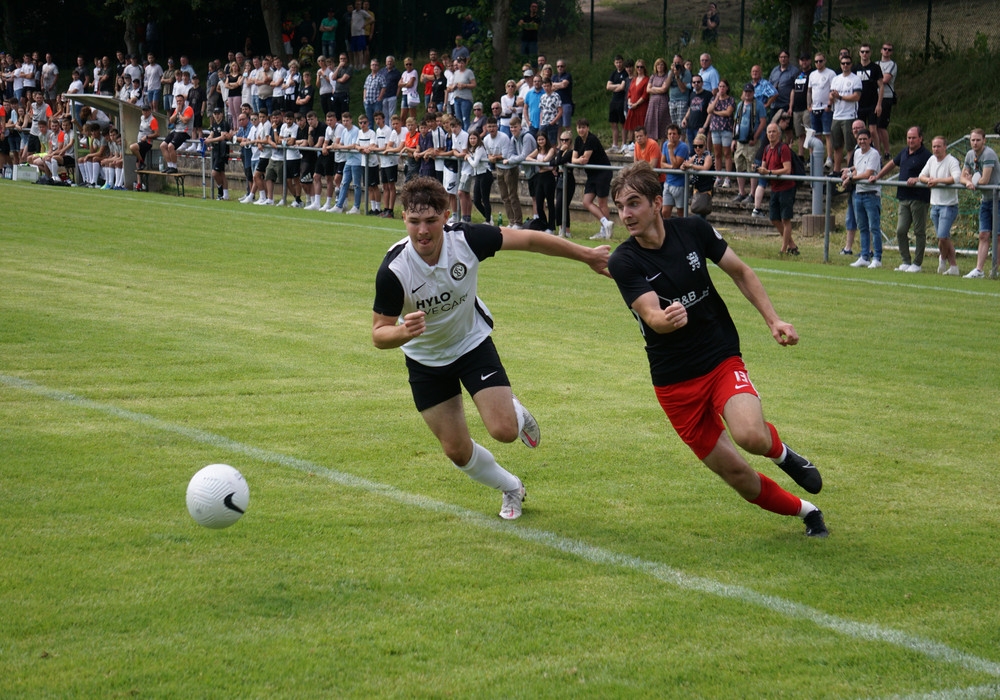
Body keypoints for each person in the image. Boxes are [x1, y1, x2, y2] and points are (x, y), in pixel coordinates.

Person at [606, 160, 828, 538]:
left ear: (657, 203)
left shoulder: (694, 229)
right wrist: (666, 319)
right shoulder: (623, 260)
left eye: (634, 203)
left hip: (718, 356)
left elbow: (740, 271)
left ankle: (782, 454)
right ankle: (807, 512)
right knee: (737, 474)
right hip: (674, 383)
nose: (625, 214)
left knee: (750, 435)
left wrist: (773, 320)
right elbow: (651, 315)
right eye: (620, 206)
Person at [371, 177, 610, 520]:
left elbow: (530, 240)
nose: (422, 231)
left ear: (446, 216)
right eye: (414, 221)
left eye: (431, 220)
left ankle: (513, 410)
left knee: (504, 431)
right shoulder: (394, 271)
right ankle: (511, 487)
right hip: (426, 361)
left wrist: (587, 255)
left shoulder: (466, 240)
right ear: (403, 219)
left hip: (471, 344)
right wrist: (403, 332)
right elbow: (379, 334)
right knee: (456, 450)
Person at [872, 126, 931, 272]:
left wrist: (918, 179)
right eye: (908, 138)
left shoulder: (926, 155)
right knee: (900, 230)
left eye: (913, 138)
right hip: (904, 197)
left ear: (920, 138)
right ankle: (906, 261)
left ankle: (917, 263)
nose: (910, 140)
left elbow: (932, 173)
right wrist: (878, 176)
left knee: (919, 231)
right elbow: (892, 164)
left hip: (919, 198)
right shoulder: (904, 152)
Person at [919, 135, 964, 276]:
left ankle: (947, 262)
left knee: (943, 236)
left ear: (945, 147)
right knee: (942, 238)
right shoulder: (931, 160)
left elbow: (956, 178)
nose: (936, 149)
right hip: (935, 204)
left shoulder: (952, 161)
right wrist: (929, 180)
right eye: (934, 146)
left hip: (949, 205)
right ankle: (949, 264)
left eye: (939, 146)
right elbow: (921, 176)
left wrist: (937, 181)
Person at [959, 128, 1000, 279]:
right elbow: (962, 177)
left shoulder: (989, 154)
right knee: (983, 234)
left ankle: (995, 269)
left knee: (998, 236)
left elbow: (985, 180)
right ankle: (979, 270)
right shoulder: (970, 155)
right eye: (973, 140)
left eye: (978, 140)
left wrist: (972, 181)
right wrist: (968, 181)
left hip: (998, 199)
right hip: (986, 199)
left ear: (984, 140)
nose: (975, 143)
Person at [844, 128, 883, 269]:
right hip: (859, 193)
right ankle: (864, 256)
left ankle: (877, 258)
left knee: (874, 227)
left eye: (865, 139)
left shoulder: (874, 154)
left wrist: (850, 178)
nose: (862, 142)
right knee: (863, 227)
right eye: (860, 139)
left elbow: (867, 174)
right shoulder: (856, 153)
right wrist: (848, 173)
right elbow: (857, 170)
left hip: (871, 194)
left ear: (870, 140)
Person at [758, 122, 799, 255]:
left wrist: (769, 172)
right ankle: (792, 245)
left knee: (785, 219)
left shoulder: (784, 148)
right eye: (769, 132)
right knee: (774, 218)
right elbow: (764, 167)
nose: (771, 134)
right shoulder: (766, 149)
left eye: (774, 131)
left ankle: (784, 249)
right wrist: (759, 169)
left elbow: (787, 169)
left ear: (779, 134)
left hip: (786, 187)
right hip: (775, 187)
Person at [572, 118, 615, 240]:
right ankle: (606, 223)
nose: (581, 130)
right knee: (586, 202)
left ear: (588, 128)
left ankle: (604, 231)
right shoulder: (578, 140)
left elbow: (585, 159)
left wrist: (579, 160)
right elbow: (573, 159)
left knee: (602, 202)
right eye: (579, 127)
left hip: (603, 172)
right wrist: (578, 160)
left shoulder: (591, 139)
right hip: (591, 175)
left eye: (583, 127)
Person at [732, 83, 766, 204]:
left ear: (753, 93)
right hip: (740, 141)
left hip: (752, 142)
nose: (747, 94)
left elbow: (763, 122)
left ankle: (752, 193)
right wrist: (734, 139)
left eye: (750, 92)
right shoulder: (740, 105)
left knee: (752, 167)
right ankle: (741, 192)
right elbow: (736, 122)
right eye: (746, 92)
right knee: (739, 166)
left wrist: (755, 137)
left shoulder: (759, 105)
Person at [829, 53, 861, 172]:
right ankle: (836, 171)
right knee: (836, 146)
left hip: (849, 116)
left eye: (847, 63)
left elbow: (856, 96)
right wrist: (832, 97)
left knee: (850, 147)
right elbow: (831, 96)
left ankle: (849, 171)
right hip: (836, 115)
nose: (845, 65)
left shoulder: (855, 79)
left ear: (851, 65)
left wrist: (840, 97)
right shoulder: (836, 79)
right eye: (843, 63)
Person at [807, 52, 837, 169]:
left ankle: (829, 158)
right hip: (814, 108)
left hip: (826, 108)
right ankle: (817, 158)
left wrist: (829, 104)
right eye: (816, 61)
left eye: (820, 61)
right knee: (816, 134)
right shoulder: (812, 75)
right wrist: (809, 105)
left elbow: (833, 90)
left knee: (827, 134)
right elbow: (809, 91)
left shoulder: (831, 73)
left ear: (824, 61)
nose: (818, 63)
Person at [704, 79, 735, 188]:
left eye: (723, 86)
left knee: (727, 153)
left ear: (727, 88)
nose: (721, 88)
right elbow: (709, 110)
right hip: (715, 129)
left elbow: (728, 113)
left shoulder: (730, 100)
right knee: (717, 154)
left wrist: (715, 112)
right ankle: (718, 177)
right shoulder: (713, 99)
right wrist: (717, 98)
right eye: (720, 86)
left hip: (726, 128)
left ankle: (728, 178)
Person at [526, 130, 557, 232]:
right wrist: (536, 161)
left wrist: (541, 164)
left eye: (542, 139)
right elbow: (528, 158)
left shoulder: (551, 149)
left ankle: (551, 227)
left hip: (548, 177)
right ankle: (543, 224)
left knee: (550, 202)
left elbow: (546, 160)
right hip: (539, 177)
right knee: (539, 203)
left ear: (546, 139)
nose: (540, 141)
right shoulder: (538, 150)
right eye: (539, 140)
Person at [680, 131, 715, 218]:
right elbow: (684, 165)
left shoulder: (708, 156)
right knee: (698, 213)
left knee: (701, 214)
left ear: (705, 146)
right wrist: (684, 166)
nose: (697, 148)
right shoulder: (695, 156)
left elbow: (705, 168)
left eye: (700, 146)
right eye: (695, 146)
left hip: (706, 188)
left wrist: (691, 166)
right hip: (697, 189)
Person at [659, 124, 689, 218]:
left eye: (674, 134)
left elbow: (676, 164)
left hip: (680, 184)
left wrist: (670, 150)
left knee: (681, 212)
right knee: (665, 211)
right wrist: (672, 167)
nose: (672, 136)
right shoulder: (665, 144)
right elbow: (662, 164)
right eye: (670, 134)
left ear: (679, 135)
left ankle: (683, 227)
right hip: (668, 182)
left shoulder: (683, 147)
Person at [205, 107, 233, 200]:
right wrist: (207, 139)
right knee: (221, 173)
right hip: (216, 150)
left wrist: (211, 140)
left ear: (222, 114)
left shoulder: (224, 124)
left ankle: (220, 190)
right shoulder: (214, 124)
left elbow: (222, 137)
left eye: (218, 113)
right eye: (215, 114)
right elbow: (211, 134)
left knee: (215, 173)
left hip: (222, 151)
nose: (217, 116)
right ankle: (225, 194)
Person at [876, 43, 897, 158]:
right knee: (875, 125)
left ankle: (887, 151)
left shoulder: (892, 65)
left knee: (882, 125)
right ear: (881, 50)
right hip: (875, 96)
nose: (887, 51)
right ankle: (877, 150)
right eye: (885, 49)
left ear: (891, 52)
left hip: (886, 97)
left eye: (889, 50)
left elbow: (885, 79)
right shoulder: (876, 64)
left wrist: (874, 79)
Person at [644, 58, 672, 143]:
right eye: (658, 65)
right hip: (653, 102)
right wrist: (658, 89)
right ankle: (653, 146)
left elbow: (664, 89)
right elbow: (648, 89)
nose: (660, 66)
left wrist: (653, 88)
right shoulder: (653, 76)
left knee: (663, 123)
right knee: (651, 123)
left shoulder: (666, 76)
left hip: (663, 101)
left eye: (661, 65)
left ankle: (662, 147)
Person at [623, 60, 649, 148]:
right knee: (631, 125)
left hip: (641, 106)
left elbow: (645, 95)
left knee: (640, 125)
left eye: (641, 67)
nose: (639, 69)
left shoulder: (646, 80)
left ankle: (641, 143)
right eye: (638, 67)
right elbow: (629, 92)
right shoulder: (634, 79)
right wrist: (629, 101)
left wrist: (636, 104)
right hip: (632, 105)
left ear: (644, 68)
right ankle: (631, 142)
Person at [606, 55, 628, 153]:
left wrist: (614, 87)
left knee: (623, 123)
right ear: (614, 63)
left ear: (622, 62)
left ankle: (623, 144)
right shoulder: (613, 73)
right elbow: (608, 86)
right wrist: (617, 86)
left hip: (622, 100)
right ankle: (615, 145)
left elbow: (622, 87)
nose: (618, 64)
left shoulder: (625, 73)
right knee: (613, 123)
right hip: (614, 100)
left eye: (620, 62)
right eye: (617, 62)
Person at [681, 74, 711, 146]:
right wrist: (685, 118)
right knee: (691, 149)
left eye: (698, 82)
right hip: (690, 127)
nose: (696, 84)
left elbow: (710, 113)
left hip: (701, 127)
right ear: (692, 84)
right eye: (694, 82)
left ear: (702, 83)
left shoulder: (708, 95)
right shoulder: (692, 94)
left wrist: (704, 127)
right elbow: (690, 108)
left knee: (700, 149)